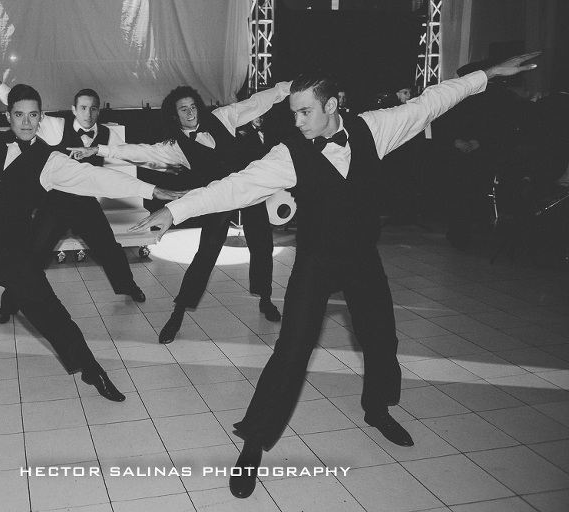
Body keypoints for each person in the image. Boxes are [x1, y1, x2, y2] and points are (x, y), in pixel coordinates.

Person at [130, 53, 539, 498]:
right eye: (293, 113)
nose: (298, 121)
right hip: (316, 260)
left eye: (305, 112)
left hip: (362, 256)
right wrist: (175, 211)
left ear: (331, 104)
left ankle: (377, 409)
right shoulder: (288, 154)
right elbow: (234, 187)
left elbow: (432, 101)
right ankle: (254, 440)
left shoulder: (374, 128)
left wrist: (487, 74)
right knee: (291, 350)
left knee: (381, 337)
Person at [0, 43, 179, 420]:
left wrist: (152, 191)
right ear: (8, 115)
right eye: (19, 114)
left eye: (32, 115)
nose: (26, 122)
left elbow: (98, 178)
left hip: (14, 256)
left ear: (40, 117)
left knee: (54, 318)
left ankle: (93, 372)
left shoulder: (49, 161)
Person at [70, 82, 292, 343]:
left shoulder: (223, 117)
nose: (190, 113)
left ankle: (265, 299)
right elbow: (139, 151)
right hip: (215, 199)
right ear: (175, 116)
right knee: (206, 253)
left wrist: (290, 87)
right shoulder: (174, 147)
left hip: (246, 190)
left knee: (262, 244)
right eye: (183, 109)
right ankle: (178, 312)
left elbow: (258, 102)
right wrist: (99, 149)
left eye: (193, 106)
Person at [0, 61, 147, 325]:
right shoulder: (56, 126)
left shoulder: (108, 135)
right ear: (74, 109)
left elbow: (130, 156)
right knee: (31, 256)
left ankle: (128, 286)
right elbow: (21, 104)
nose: (88, 113)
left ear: (99, 110)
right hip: (55, 204)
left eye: (93, 108)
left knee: (110, 248)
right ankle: (9, 304)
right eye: (83, 108)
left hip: (85, 204)